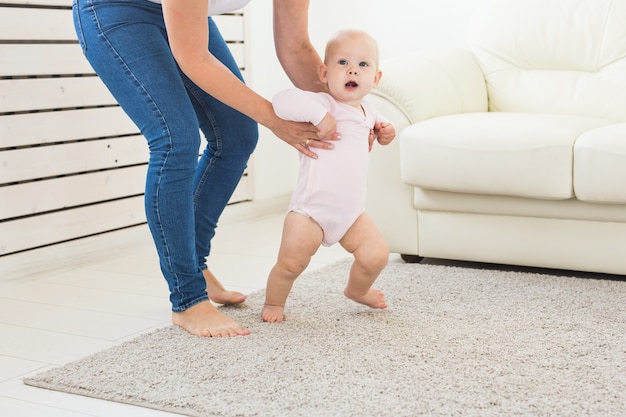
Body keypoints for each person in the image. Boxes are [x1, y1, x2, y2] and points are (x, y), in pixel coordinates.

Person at [72, 0, 340, 337]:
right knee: (175, 138)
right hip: (116, 8)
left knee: (238, 135)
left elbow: (297, 47)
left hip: (182, 11)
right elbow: (194, 59)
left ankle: (193, 265)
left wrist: (345, 114)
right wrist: (274, 118)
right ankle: (187, 298)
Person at [261, 29, 396, 323]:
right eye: (343, 62)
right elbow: (282, 100)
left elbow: (383, 129)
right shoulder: (323, 104)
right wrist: (320, 117)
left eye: (363, 65)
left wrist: (387, 132)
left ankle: (357, 290)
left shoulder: (370, 110)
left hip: (351, 213)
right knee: (291, 264)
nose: (352, 70)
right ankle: (274, 302)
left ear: (376, 78)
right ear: (324, 72)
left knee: (376, 255)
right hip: (310, 211)